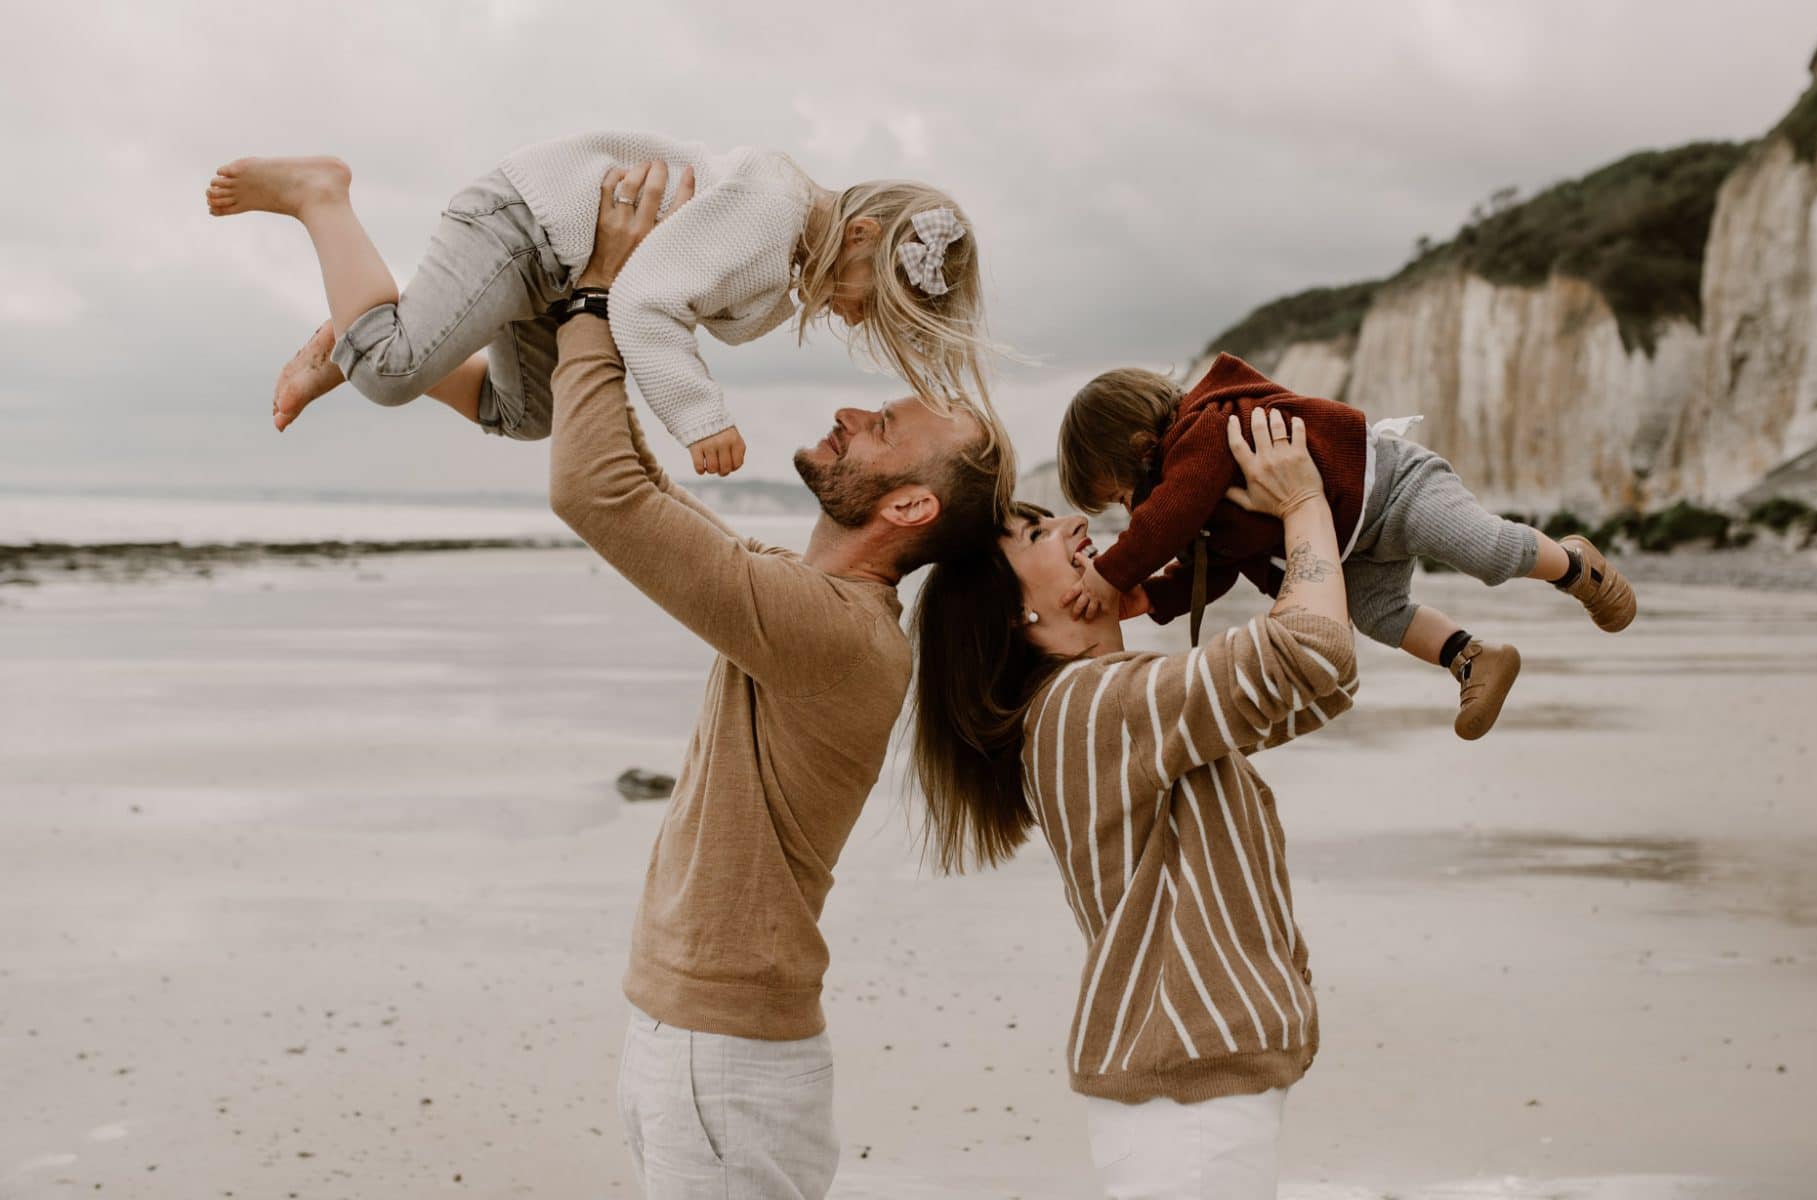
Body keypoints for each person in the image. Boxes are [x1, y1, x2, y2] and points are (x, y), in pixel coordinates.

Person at [550, 162, 1008, 1198]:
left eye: (882, 429)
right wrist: (628, 319)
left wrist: (597, 298)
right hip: (700, 1044)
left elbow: (595, 492)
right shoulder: (810, 609)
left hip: (719, 1059)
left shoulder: (830, 632)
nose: (851, 412)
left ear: (905, 512)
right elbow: (635, 485)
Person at [909, 407, 1357, 1198]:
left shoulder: (1105, 710)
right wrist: (1301, 506)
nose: (1079, 525)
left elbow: (1325, 685)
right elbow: (1314, 652)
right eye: (1037, 534)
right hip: (1183, 1102)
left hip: (1186, 1091)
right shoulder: (1092, 707)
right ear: (1017, 612)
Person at [204, 132, 994, 478]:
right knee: (388, 372)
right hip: (526, 226)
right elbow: (648, 306)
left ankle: (372, 322)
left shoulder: (784, 260)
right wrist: (699, 416)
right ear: (857, 235)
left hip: (556, 278)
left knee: (526, 415)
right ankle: (321, 199)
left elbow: (666, 296)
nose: (857, 319)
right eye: (873, 302)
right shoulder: (769, 215)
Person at [1053, 354, 1637, 739]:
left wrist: (1108, 574)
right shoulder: (1200, 512)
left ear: (1140, 445)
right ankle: (1472, 657)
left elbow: (1162, 522)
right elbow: (1213, 572)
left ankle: (1575, 566)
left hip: (1393, 488)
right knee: (1377, 614)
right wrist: (1150, 598)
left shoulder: (1206, 433)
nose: (1132, 509)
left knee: (1483, 549)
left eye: (1122, 493)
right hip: (1349, 549)